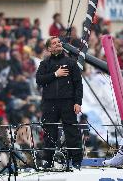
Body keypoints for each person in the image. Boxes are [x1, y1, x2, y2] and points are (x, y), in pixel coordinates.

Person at [36, 36, 83, 169]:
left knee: (72, 132)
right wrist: (55, 74)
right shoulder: (44, 64)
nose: (57, 44)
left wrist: (78, 102)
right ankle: (47, 160)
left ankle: (76, 161)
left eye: (58, 42)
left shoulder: (71, 62)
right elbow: (39, 79)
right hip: (49, 103)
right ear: (49, 48)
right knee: (49, 132)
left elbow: (78, 84)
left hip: (68, 102)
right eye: (54, 43)